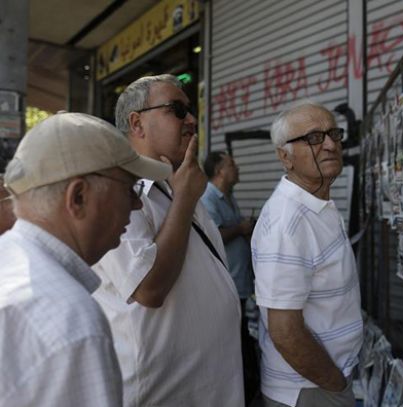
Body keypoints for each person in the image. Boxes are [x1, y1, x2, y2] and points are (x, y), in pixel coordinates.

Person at [91, 74, 244, 407]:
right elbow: (148, 287)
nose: (191, 120)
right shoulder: (118, 188)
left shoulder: (175, 184)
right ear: (137, 123)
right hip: (161, 394)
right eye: (177, 109)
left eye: (190, 110)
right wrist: (186, 199)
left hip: (206, 388)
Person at [0, 112, 171, 406]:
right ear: (78, 197)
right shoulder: (72, 321)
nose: (137, 202)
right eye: (128, 188)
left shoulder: (9, 260)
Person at [251, 101, 363, 407]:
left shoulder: (316, 203)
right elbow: (285, 331)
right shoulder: (288, 223)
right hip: (309, 389)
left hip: (319, 383)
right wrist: (335, 383)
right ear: (284, 156)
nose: (329, 145)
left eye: (333, 134)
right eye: (313, 138)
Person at [201, 151, 259, 403]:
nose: (237, 168)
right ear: (220, 171)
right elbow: (212, 234)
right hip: (228, 283)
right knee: (235, 339)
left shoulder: (229, 197)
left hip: (240, 280)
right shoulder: (208, 198)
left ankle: (248, 386)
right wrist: (241, 228)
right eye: (232, 164)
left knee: (242, 335)